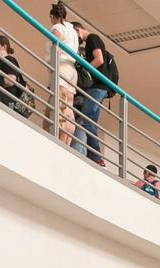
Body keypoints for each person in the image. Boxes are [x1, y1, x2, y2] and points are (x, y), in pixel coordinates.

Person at [71, 22, 112, 166]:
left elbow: (99, 59)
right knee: (89, 121)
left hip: (98, 86)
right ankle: (94, 156)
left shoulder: (92, 38)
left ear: (77, 30)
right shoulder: (92, 40)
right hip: (100, 87)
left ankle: (95, 155)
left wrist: (85, 68)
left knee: (85, 120)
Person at [49, 3, 79, 146]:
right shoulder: (72, 30)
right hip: (72, 70)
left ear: (52, 16)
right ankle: (67, 142)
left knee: (61, 105)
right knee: (69, 107)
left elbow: (56, 45)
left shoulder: (57, 27)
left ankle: (60, 141)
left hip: (62, 66)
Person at [0, 35, 24, 110]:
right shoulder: (0, 63)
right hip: (2, 102)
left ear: (4, 46)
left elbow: (10, 80)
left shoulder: (9, 60)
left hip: (6, 103)